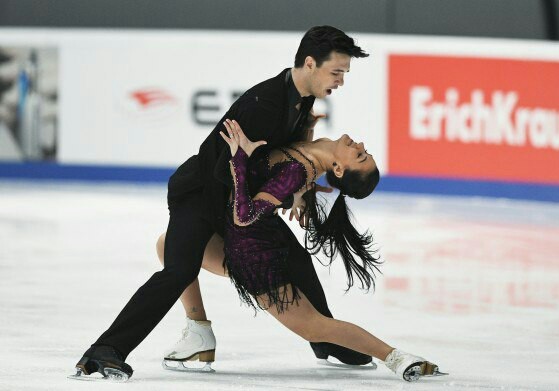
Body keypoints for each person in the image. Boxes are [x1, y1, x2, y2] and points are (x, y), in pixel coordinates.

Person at [72, 26, 372, 381]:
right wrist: (253, 216)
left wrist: (299, 191)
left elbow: (288, 152)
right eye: (336, 72)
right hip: (202, 195)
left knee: (295, 258)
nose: (339, 81)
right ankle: (106, 350)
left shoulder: (300, 98)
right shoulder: (265, 103)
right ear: (310, 63)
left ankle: (325, 337)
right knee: (179, 270)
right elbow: (223, 169)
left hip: (236, 197)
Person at [212, 119, 445, 382]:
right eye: (364, 152)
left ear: (338, 168)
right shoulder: (319, 150)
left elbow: (244, 215)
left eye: (359, 155)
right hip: (268, 235)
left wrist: (239, 159)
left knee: (313, 326)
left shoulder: (297, 172)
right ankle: (199, 331)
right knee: (168, 247)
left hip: (254, 256)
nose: (360, 145)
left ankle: (395, 357)